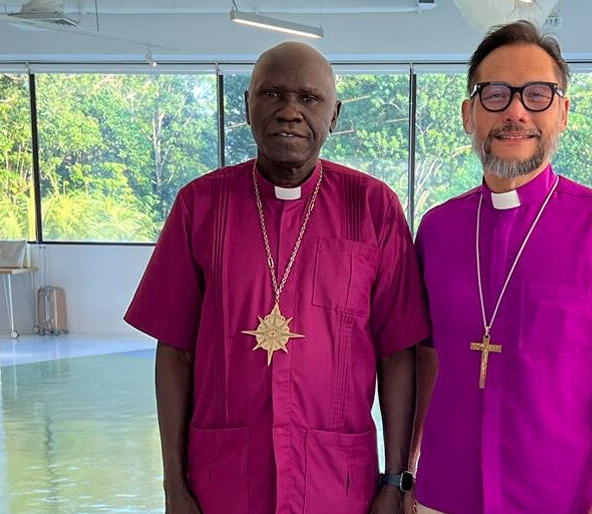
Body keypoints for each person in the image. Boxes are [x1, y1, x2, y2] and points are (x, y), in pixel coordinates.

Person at [125, 41, 429, 514]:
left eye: (309, 99)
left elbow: (397, 356)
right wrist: (173, 484)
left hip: (339, 481)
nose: (290, 111)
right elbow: (174, 351)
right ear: (247, 105)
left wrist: (395, 480)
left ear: (335, 114)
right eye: (272, 94)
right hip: (223, 480)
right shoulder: (199, 206)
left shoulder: (374, 208)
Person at [408, 21, 592, 514]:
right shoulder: (438, 229)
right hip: (444, 491)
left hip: (562, 495)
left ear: (563, 112)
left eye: (537, 94)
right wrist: (408, 470)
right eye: (495, 94)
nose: (514, 110)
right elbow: (427, 360)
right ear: (469, 114)